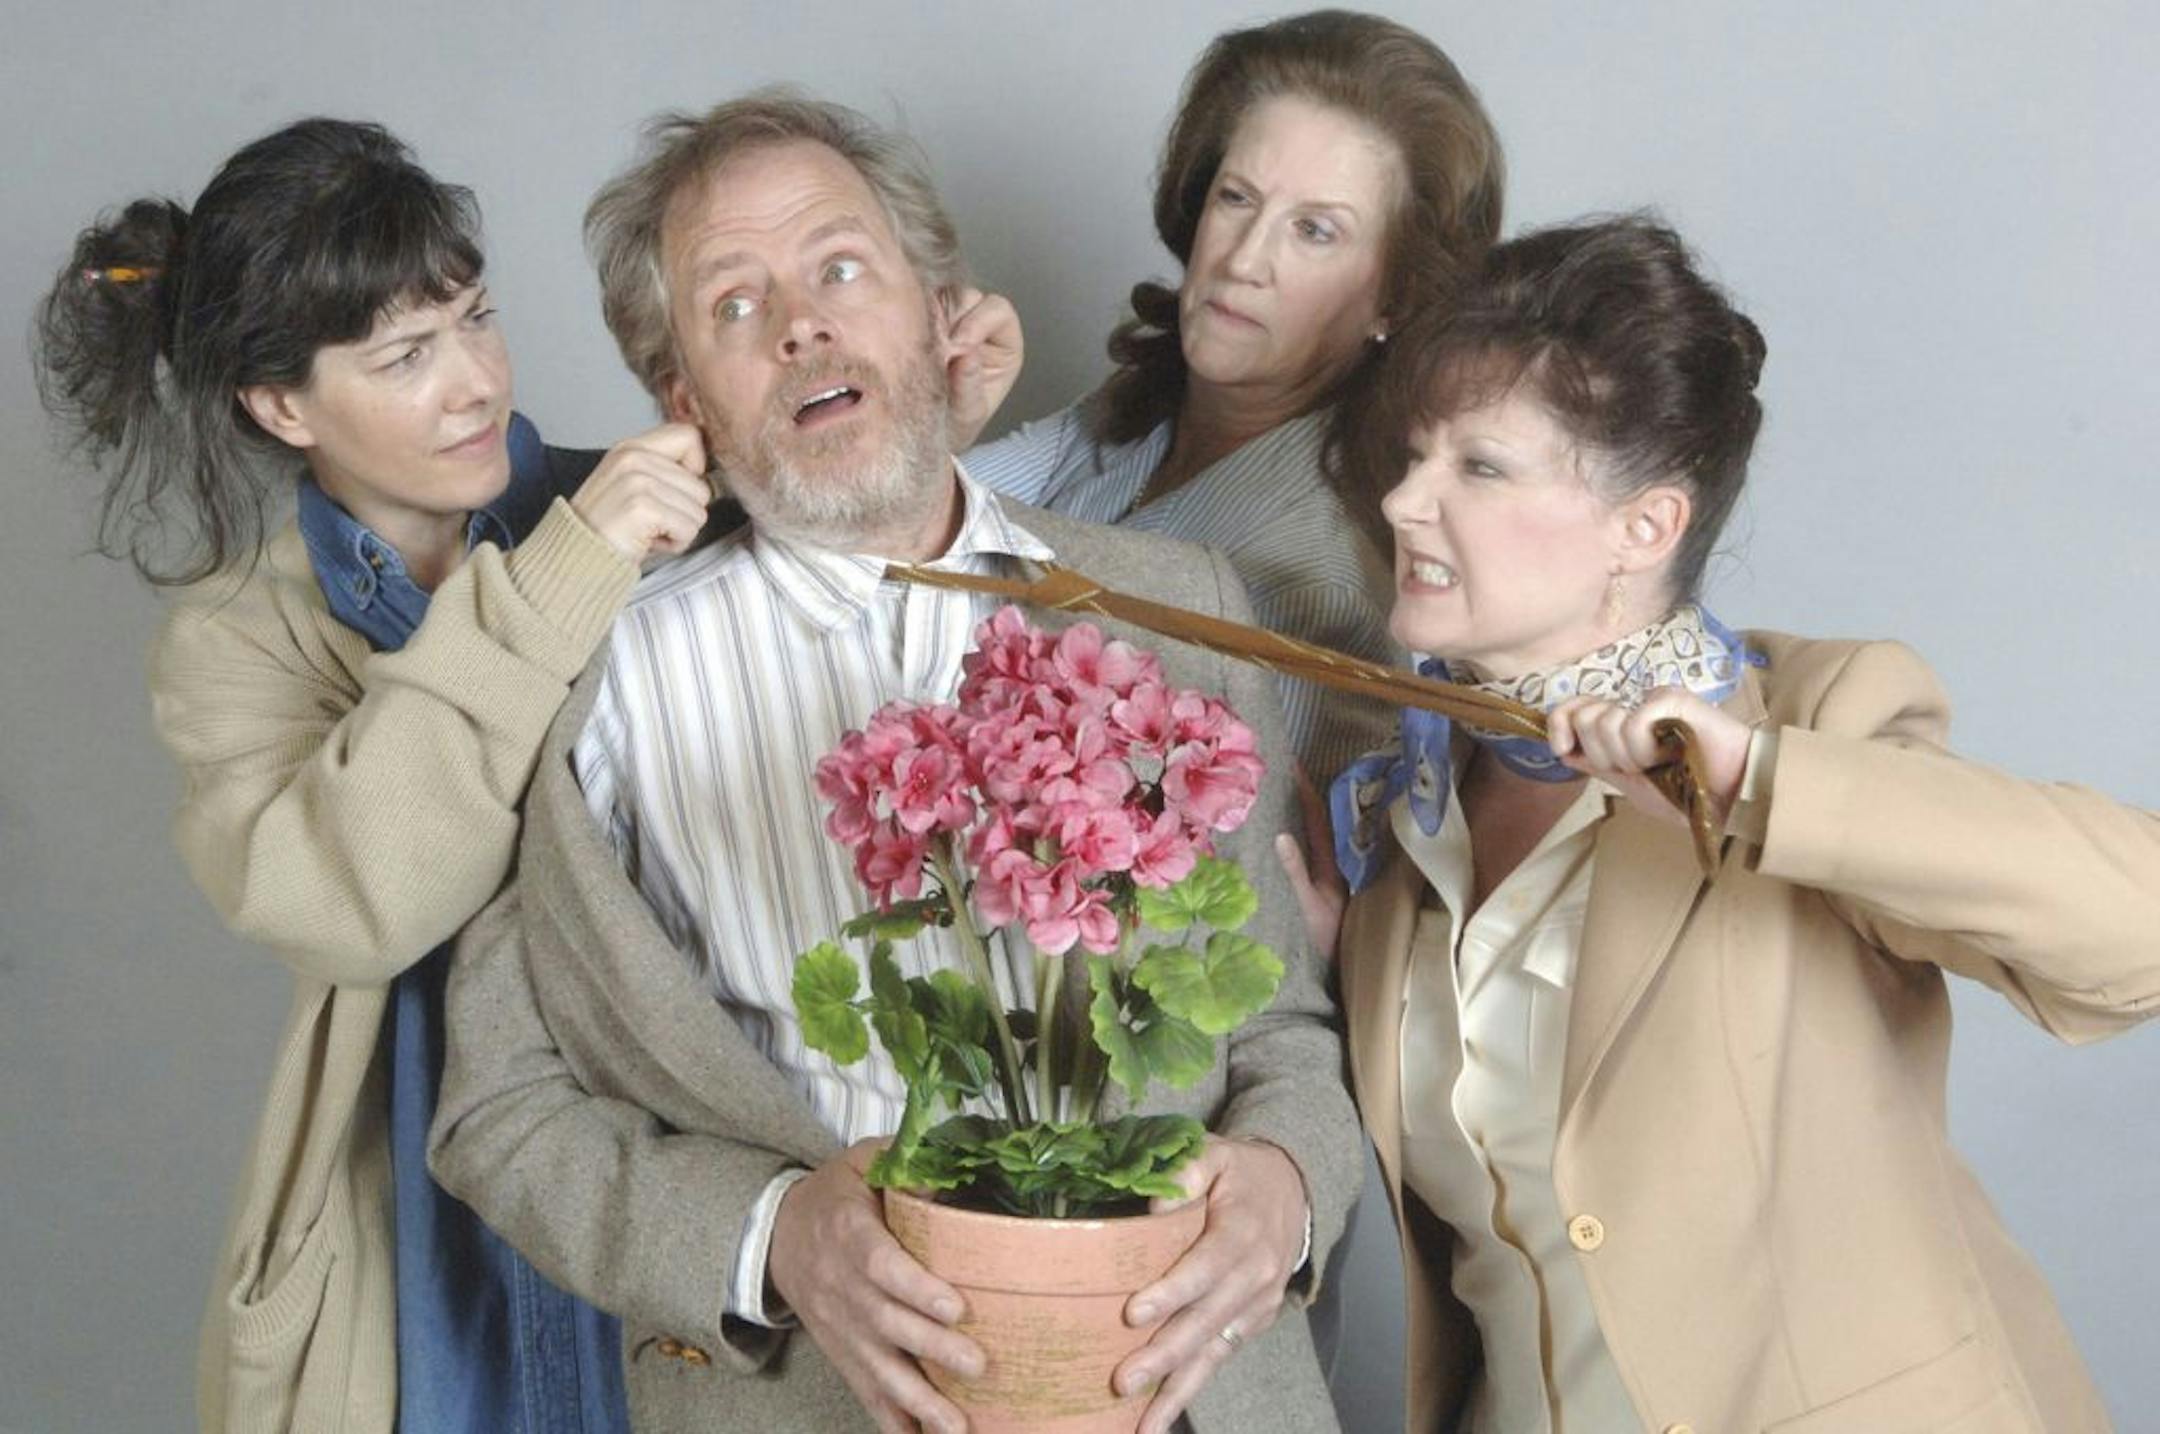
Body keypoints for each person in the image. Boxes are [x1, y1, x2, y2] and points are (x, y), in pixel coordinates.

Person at [33, 116, 1016, 1434]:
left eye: (477, 320)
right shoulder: (238, 639)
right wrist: (565, 575)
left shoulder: (644, 503)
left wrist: (932, 406)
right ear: (281, 406)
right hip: (426, 1204)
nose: (476, 384)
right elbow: (352, 904)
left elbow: (858, 551)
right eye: (405, 356)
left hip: (679, 1171)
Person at [426, 92, 1360, 1434]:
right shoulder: (587, 683)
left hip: (1189, 1395)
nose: (800, 324)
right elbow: (502, 1109)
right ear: (683, 397)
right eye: (733, 303)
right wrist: (767, 1233)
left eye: (842, 268)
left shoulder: (1175, 613)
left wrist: (1288, 1180)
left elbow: (1281, 1030)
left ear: (937, 309)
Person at [1300, 216, 2160, 1431]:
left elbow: (2139, 934)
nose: (1402, 499)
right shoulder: (1403, 816)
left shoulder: (1812, 719)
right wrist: (1332, 975)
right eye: (1414, 454)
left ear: (1644, 527)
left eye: (1478, 467)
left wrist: (1762, 784)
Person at [967, 7, 1504, 785]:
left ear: (1395, 297)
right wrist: (946, 416)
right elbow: (906, 533)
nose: (1244, 260)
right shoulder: (1141, 412)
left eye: (1315, 231)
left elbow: (1236, 868)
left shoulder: (1322, 585)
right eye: (1237, 198)